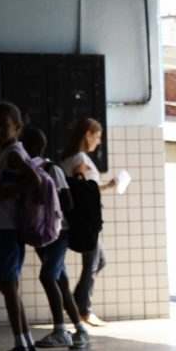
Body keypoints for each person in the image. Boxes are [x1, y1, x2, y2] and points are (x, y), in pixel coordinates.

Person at [21, 127, 90, 349]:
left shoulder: (51, 169)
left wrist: (50, 207)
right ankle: (80, 330)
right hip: (42, 234)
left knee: (47, 276)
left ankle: (60, 330)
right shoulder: (29, 169)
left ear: (32, 146)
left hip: (59, 233)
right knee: (60, 281)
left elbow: (67, 201)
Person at [0, 103, 42, 351]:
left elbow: (35, 180)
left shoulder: (12, 152)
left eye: (3, 125)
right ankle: (26, 340)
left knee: (7, 285)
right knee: (9, 285)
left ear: (17, 127)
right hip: (10, 229)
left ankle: (21, 343)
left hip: (7, 229)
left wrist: (5, 192)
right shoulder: (12, 152)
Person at [61, 118, 115, 327]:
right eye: (98, 136)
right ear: (88, 135)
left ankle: (76, 303)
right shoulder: (80, 159)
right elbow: (81, 188)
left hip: (80, 218)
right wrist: (108, 186)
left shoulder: (70, 157)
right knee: (92, 263)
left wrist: (106, 186)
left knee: (98, 260)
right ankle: (82, 309)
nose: (99, 142)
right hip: (84, 220)